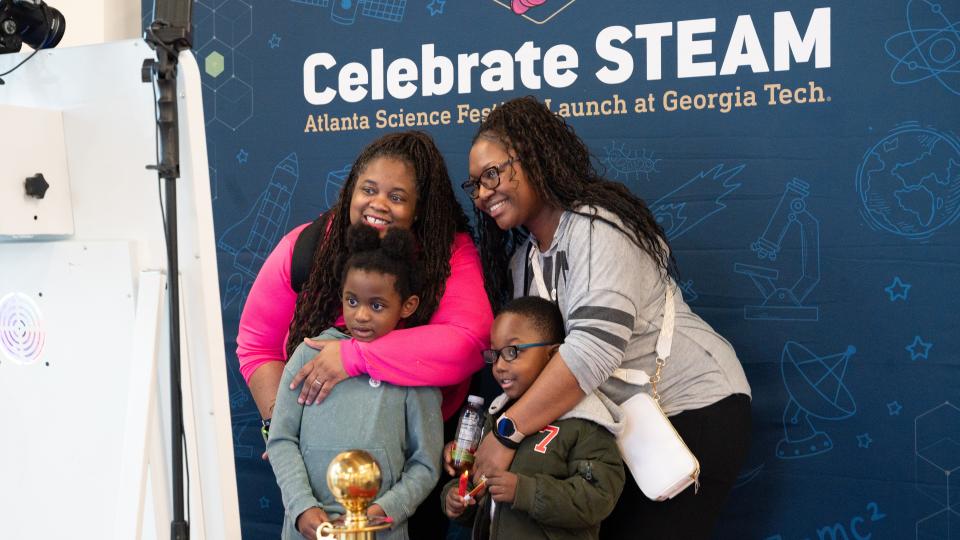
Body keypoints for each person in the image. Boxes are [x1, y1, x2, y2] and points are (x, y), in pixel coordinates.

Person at [462, 96, 752, 539]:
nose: (483, 194)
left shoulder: (599, 228)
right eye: (474, 185)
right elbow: (534, 367)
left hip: (690, 410)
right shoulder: (524, 262)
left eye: (492, 174)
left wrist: (505, 434)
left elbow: (591, 352)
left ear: (534, 158)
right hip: (613, 432)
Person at [238, 131, 492, 537]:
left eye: (397, 196)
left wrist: (352, 356)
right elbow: (257, 345)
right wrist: (287, 421)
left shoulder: (446, 252)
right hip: (313, 483)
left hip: (398, 480)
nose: (378, 204)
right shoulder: (304, 248)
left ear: (419, 209)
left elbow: (468, 341)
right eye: (369, 190)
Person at [269, 223, 441, 540]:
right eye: (352, 301)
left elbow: (425, 463)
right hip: (309, 530)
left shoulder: (415, 371)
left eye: (376, 305)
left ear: (407, 305)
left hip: (380, 531)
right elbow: (281, 439)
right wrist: (302, 506)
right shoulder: (308, 356)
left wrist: (382, 513)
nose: (361, 315)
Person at [441, 296, 625, 540]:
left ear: (554, 354)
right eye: (494, 354)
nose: (498, 366)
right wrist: (457, 497)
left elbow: (599, 497)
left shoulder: (585, 421)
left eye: (512, 352)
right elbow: (476, 479)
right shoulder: (498, 418)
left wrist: (523, 491)